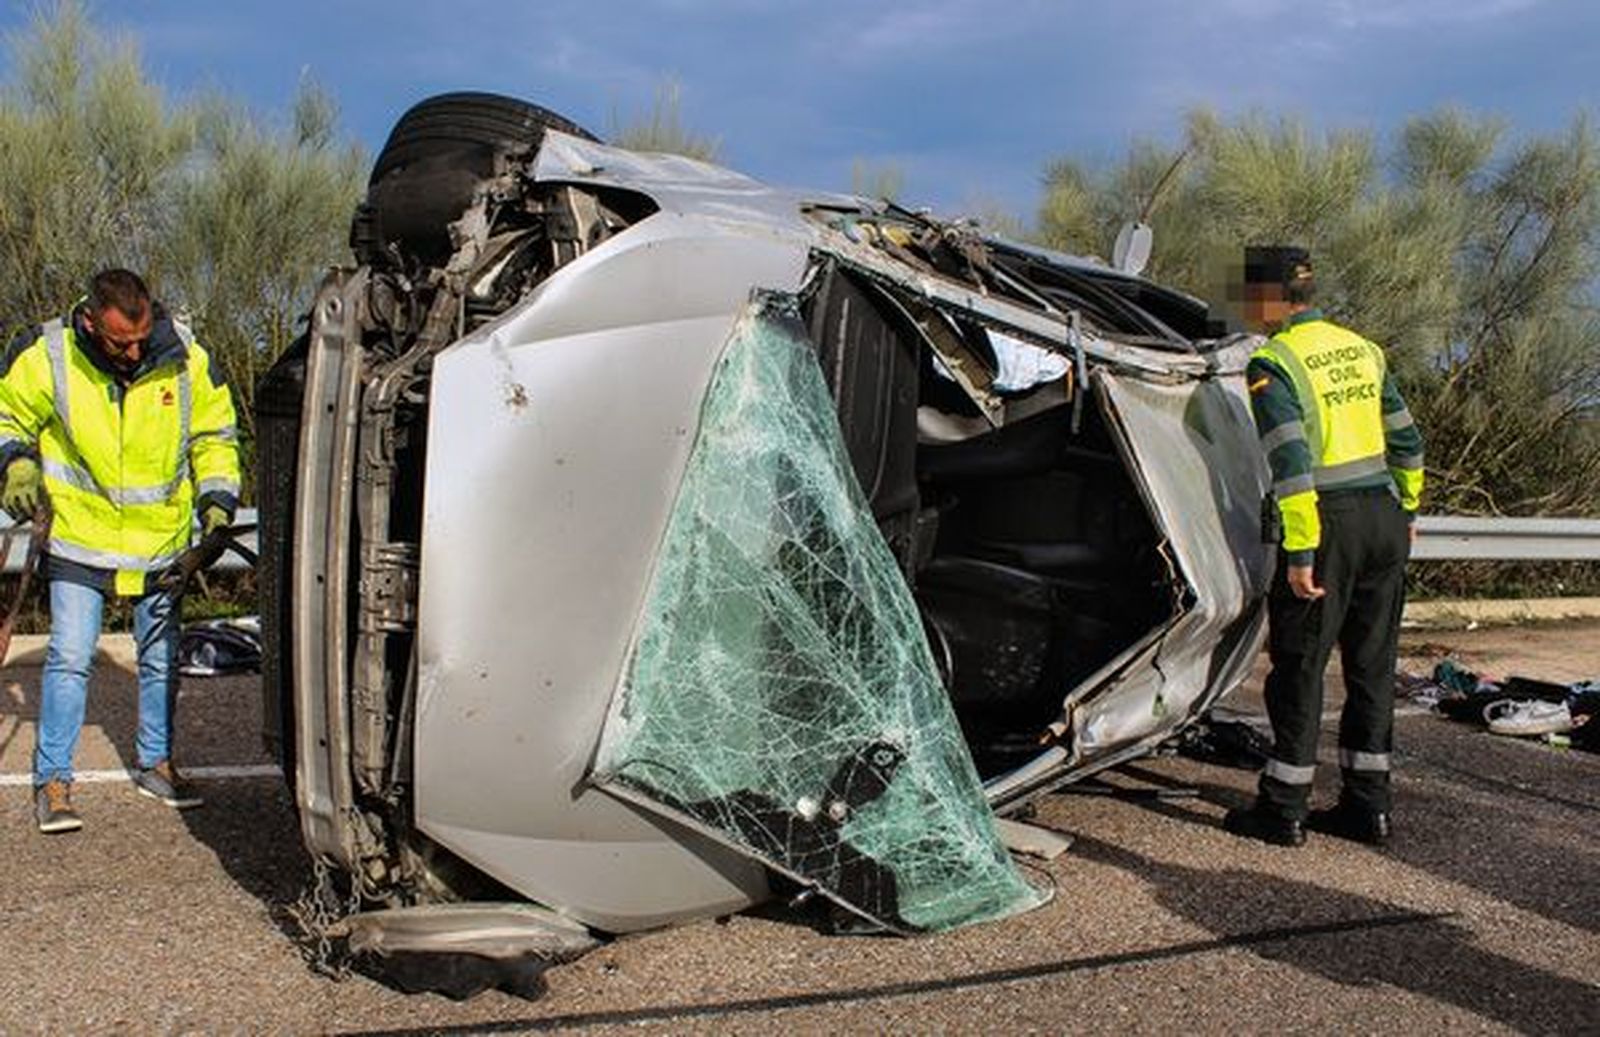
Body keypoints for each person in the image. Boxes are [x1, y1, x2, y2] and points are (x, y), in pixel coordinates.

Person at [0, 269, 240, 834]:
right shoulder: (49, 352)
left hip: (161, 542)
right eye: (119, 343)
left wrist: (218, 499)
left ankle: (156, 763)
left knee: (160, 659)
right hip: (80, 537)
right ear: (90, 321)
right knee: (69, 658)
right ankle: (53, 780)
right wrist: (15, 462)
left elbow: (215, 434)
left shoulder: (184, 354)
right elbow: (6, 412)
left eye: (140, 338)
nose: (134, 352)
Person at [1224, 246, 1424, 847]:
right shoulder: (1364, 350)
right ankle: (1369, 807)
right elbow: (1407, 440)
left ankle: (1283, 809)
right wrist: (1407, 508)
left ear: (1268, 298)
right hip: (1383, 516)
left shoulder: (1273, 362)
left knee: (1302, 667)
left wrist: (1303, 552)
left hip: (1326, 524)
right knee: (1372, 667)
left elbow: (1290, 464)